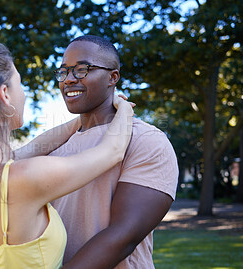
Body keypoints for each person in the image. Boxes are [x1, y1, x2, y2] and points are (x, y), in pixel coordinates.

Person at [0, 43, 134, 269]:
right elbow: (112, 152)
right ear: (5, 94)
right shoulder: (23, 178)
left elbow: (37, 146)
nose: (24, 93)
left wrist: (85, 117)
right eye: (20, 83)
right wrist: (124, 108)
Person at [49, 35, 179, 269]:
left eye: (81, 69)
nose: (68, 79)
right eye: (63, 72)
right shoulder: (54, 147)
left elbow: (123, 236)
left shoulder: (147, 141)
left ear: (113, 77)